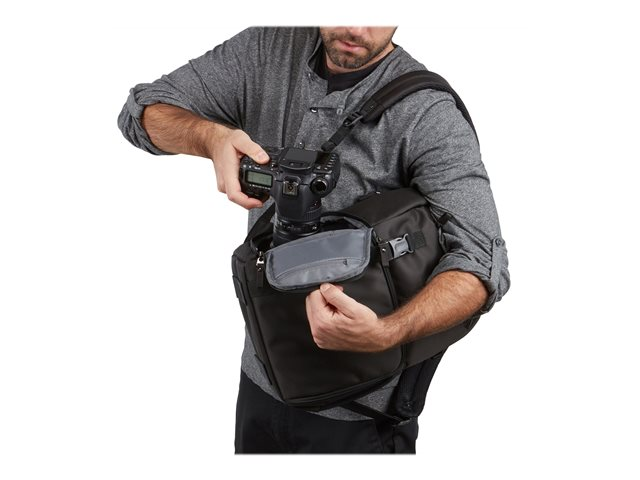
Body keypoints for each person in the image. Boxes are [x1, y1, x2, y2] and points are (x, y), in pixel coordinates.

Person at [118, 26, 510, 454]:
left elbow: (482, 262)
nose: (355, 27)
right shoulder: (267, 49)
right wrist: (210, 137)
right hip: (262, 376)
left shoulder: (427, 114)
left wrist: (386, 332)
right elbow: (140, 114)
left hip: (361, 411)